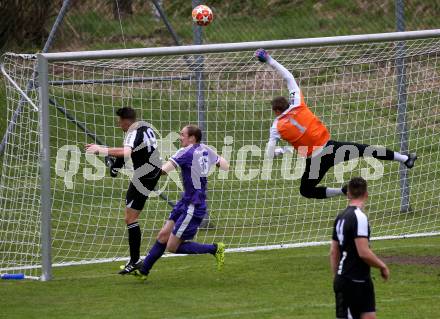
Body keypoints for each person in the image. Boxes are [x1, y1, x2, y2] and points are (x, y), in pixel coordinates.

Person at [255, 49, 417, 199]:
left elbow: (268, 154)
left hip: (316, 161)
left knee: (306, 191)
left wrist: (276, 152)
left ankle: (342, 191)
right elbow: (288, 77)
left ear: (276, 111)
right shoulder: (297, 102)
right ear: (287, 103)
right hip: (331, 148)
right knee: (367, 150)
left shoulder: (276, 126)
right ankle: (404, 158)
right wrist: (269, 59)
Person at [134, 125, 229, 279]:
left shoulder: (185, 152)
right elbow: (225, 166)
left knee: (172, 246)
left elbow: (163, 171)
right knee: (163, 235)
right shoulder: (205, 148)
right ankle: (143, 271)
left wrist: (141, 164)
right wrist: (214, 160)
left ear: (192, 138)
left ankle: (215, 248)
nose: (180, 137)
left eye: (183, 134)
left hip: (193, 205)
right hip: (186, 200)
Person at [85, 107, 162, 274]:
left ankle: (135, 260)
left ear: (126, 120)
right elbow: (130, 152)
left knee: (130, 218)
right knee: (130, 217)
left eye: (120, 121)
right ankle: (135, 260)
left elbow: (127, 151)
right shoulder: (145, 128)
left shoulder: (133, 132)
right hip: (152, 172)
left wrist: (101, 150)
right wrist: (117, 166)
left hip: (144, 176)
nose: (119, 124)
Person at [330, 177, 390, 319]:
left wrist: (336, 276)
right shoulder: (359, 217)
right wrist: (382, 266)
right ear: (366, 194)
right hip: (351, 280)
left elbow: (333, 251)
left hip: (360, 279)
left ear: (348, 194)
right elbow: (363, 252)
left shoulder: (341, 217)